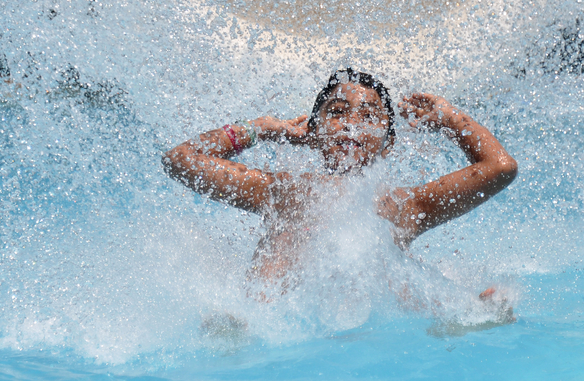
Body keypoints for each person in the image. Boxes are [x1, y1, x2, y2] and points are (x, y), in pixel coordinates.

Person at [162, 68, 518, 288]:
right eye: (337, 112)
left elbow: (501, 167)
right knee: (289, 239)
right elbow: (180, 160)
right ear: (313, 133)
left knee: (391, 260)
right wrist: (262, 129)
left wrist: (451, 118)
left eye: (369, 115)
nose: (352, 122)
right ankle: (251, 316)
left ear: (388, 143)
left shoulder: (405, 205)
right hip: (278, 325)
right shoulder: (283, 190)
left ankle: (463, 313)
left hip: (373, 324)